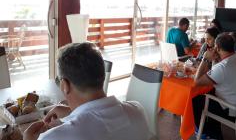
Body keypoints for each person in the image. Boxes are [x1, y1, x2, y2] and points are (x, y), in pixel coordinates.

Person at [23, 42, 151, 140]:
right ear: (102, 75)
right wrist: (71, 113)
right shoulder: (138, 111)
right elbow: (102, 121)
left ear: (65, 85)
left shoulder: (53, 136)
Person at [193, 33, 236, 140]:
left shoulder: (223, 67)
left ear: (217, 47)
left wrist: (205, 58)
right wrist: (214, 59)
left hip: (234, 111)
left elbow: (197, 81)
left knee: (196, 100)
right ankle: (215, 133)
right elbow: (218, 72)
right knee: (210, 93)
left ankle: (207, 133)